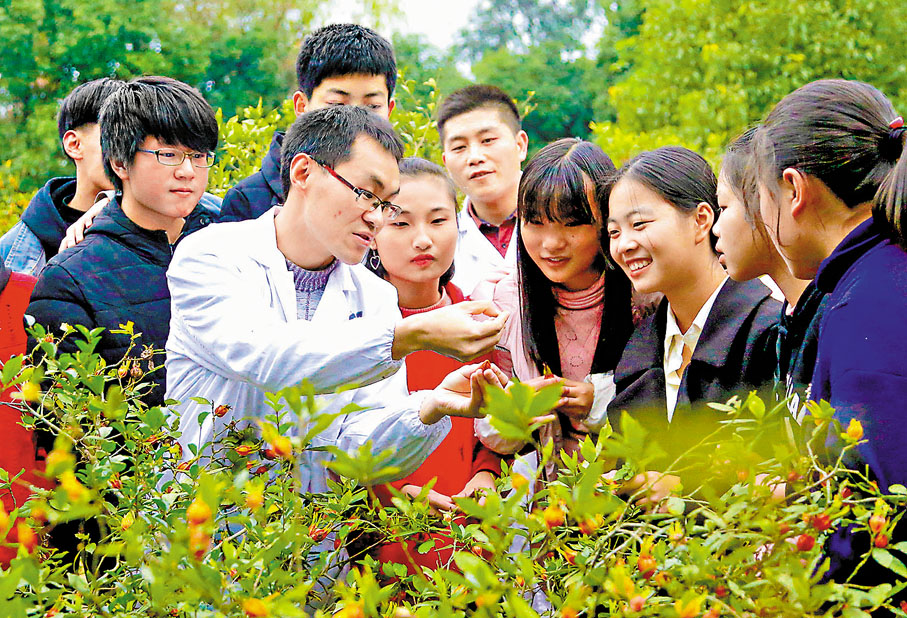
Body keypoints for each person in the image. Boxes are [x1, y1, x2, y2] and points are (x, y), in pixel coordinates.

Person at [166, 106, 508, 495]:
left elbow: (357, 457)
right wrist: (407, 334)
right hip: (206, 528)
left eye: (386, 204)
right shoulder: (212, 256)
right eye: (367, 193)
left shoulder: (376, 296)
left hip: (311, 543)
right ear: (303, 172)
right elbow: (265, 355)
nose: (376, 218)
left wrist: (430, 407)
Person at [754, 79, 907, 601]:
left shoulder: (866, 302)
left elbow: (878, 504)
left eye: (761, 195)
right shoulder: (878, 273)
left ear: (794, 190)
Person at [27, 76, 221, 407]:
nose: (188, 170)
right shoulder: (69, 281)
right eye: (169, 154)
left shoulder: (233, 244)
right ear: (120, 163)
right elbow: (73, 434)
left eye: (200, 155)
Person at [364, 157, 501, 572]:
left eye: (438, 221)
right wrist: (394, 490)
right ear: (371, 233)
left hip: (472, 536)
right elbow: (332, 434)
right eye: (401, 224)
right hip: (384, 538)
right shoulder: (357, 327)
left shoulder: (480, 320)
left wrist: (487, 474)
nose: (422, 240)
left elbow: (498, 421)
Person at [605, 146, 780, 468]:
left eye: (640, 224)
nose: (624, 245)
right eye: (614, 232)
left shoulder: (768, 329)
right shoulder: (640, 348)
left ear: (701, 220)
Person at [473, 139, 634, 481]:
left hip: (638, 506)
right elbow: (490, 435)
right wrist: (515, 413)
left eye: (572, 223)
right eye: (535, 222)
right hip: (552, 512)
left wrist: (601, 400)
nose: (551, 243)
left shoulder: (644, 297)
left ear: (606, 220)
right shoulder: (507, 305)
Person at [218, 23, 397, 224]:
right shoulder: (248, 202)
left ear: (389, 110)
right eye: (336, 105)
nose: (357, 121)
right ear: (302, 106)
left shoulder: (401, 195)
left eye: (372, 107)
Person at [712, 128, 821, 421]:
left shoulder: (831, 316)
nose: (715, 229)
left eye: (723, 207)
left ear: (766, 201)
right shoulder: (791, 319)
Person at [0, 78, 124, 275]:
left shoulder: (164, 226)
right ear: (74, 145)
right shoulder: (11, 253)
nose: (128, 152)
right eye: (116, 137)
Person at [437, 85, 529, 295]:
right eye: (459, 147)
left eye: (487, 140)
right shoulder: (441, 243)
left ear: (520, 145)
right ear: (446, 163)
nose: (474, 157)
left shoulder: (567, 217)